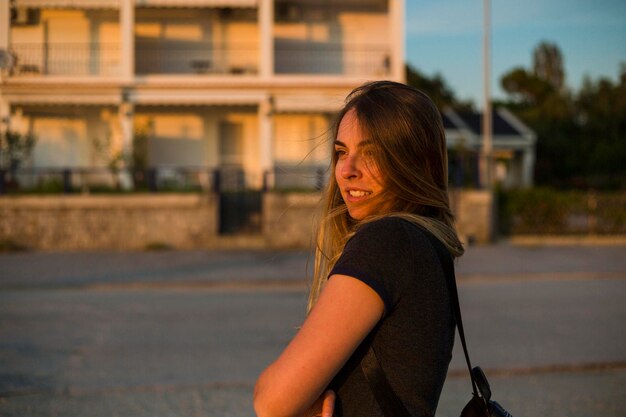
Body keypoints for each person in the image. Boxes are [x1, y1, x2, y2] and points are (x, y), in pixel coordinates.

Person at [254, 80, 465, 417]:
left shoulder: (388, 241)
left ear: (413, 162)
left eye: (371, 153)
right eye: (341, 152)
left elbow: (270, 401)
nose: (348, 171)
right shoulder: (427, 243)